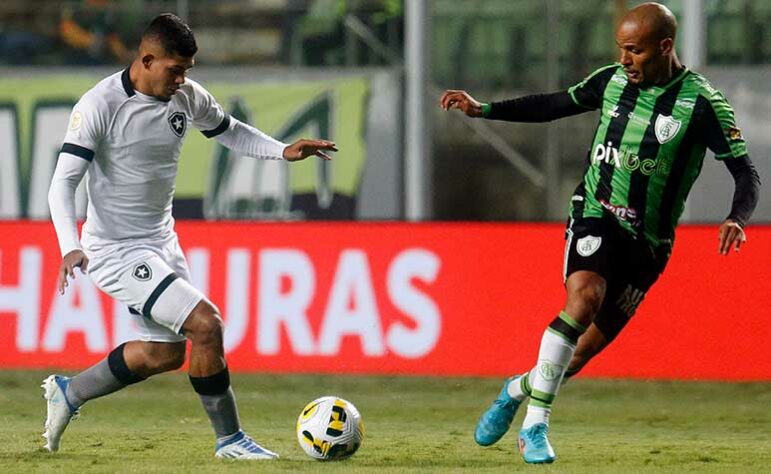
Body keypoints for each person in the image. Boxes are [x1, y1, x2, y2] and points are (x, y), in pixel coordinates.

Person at [440, 2, 759, 465]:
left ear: (664, 47)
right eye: (621, 49)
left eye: (634, 50)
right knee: (583, 299)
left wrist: (737, 216)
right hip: (596, 212)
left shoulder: (702, 103)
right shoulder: (609, 81)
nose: (625, 59)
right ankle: (535, 426)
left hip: (649, 245)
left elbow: (745, 171)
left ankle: (515, 390)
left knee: (578, 354)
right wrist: (483, 108)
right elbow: (552, 105)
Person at [44, 13, 337, 460]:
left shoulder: (185, 96)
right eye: (174, 70)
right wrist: (70, 246)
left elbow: (230, 131)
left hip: (161, 241)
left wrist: (283, 150)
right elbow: (62, 183)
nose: (181, 80)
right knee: (207, 324)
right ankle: (231, 440)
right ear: (146, 58)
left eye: (187, 71)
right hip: (115, 250)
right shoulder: (99, 105)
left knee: (163, 354)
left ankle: (70, 392)